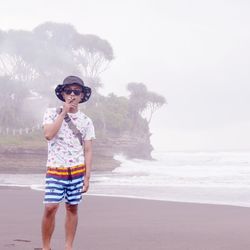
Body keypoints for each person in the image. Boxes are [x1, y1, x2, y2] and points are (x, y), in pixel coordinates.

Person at [41, 75, 95, 250]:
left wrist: (87, 177)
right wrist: (63, 112)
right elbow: (48, 135)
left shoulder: (87, 121)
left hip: (77, 170)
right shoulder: (51, 113)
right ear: (63, 94)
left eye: (76, 91)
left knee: (72, 208)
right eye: (68, 91)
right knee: (50, 207)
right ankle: (46, 247)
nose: (72, 95)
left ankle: (68, 247)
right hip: (55, 169)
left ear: (82, 96)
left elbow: (88, 150)